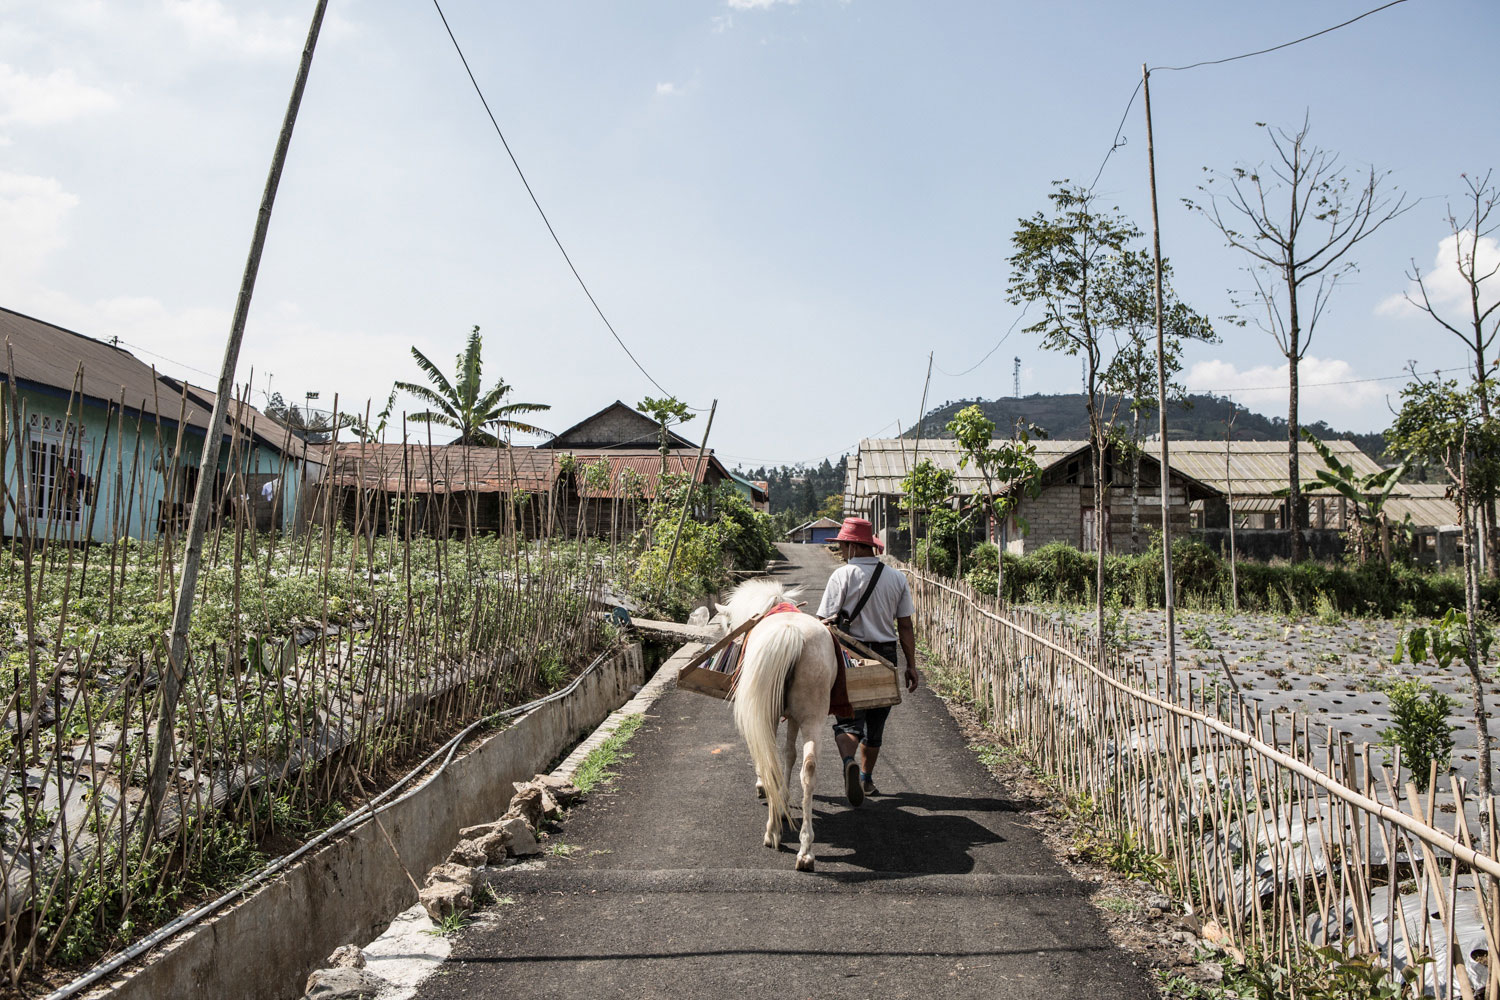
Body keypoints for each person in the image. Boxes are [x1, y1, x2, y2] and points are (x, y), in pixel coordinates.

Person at [816, 517, 918, 806]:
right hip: (884, 655)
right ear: (869, 545)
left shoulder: (842, 576)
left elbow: (823, 623)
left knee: (848, 720)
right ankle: (866, 778)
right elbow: (905, 626)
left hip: (849, 656)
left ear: (851, 546)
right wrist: (911, 665)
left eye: (842, 545)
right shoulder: (897, 577)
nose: (841, 551)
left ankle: (848, 759)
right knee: (876, 725)